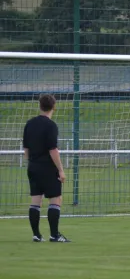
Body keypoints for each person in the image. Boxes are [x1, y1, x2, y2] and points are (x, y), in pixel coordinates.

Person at [23, 94, 70, 242]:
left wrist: (32, 162)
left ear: (40, 106)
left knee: (35, 200)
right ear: (54, 107)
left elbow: (26, 149)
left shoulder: (29, 124)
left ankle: (36, 235)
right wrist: (61, 170)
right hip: (48, 168)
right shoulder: (51, 125)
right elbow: (53, 150)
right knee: (56, 199)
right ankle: (54, 235)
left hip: (33, 166)